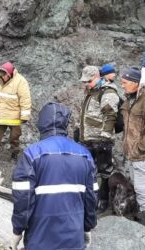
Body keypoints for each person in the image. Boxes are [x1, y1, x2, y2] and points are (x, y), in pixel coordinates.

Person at [10, 102, 97, 250]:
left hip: (40, 239)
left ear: (41, 123)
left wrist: (17, 230)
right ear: (65, 123)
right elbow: (91, 197)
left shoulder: (31, 154)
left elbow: (23, 199)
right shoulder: (85, 155)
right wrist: (88, 226)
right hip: (74, 239)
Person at [78, 65, 120, 213]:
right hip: (87, 139)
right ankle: (88, 198)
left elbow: (110, 116)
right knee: (87, 170)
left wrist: (105, 138)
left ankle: (103, 199)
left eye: (88, 81)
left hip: (101, 140)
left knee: (104, 171)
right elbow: (85, 114)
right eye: (84, 82)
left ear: (97, 77)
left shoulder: (108, 92)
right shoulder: (91, 91)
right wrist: (79, 132)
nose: (86, 84)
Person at [0, 62, 32, 165]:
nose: (2, 77)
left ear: (10, 74)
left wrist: (25, 116)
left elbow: (25, 99)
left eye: (4, 75)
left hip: (14, 116)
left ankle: (14, 155)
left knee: (14, 138)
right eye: (1, 75)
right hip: (0, 115)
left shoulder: (21, 81)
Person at [120, 66, 145, 225]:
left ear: (136, 83)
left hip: (141, 153)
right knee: (138, 187)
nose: (122, 85)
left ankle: (143, 217)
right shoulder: (129, 98)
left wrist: (140, 147)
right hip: (131, 152)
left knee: (142, 189)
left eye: (125, 82)